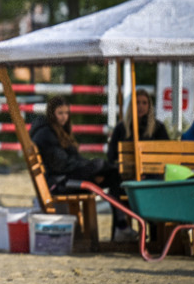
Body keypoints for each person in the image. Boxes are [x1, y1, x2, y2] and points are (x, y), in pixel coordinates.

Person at [31, 95, 137, 242]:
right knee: (99, 164)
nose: (64, 117)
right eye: (60, 113)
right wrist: (90, 172)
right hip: (60, 183)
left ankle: (121, 227)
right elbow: (61, 165)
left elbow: (73, 160)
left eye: (66, 113)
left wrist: (90, 171)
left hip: (69, 178)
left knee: (114, 175)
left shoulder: (59, 131)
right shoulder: (46, 134)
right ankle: (122, 226)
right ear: (51, 114)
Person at [106, 88, 170, 164]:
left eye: (144, 103)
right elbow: (112, 154)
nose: (140, 106)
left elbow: (166, 152)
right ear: (132, 105)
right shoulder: (121, 127)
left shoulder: (158, 127)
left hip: (151, 169)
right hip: (125, 170)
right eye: (137, 102)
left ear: (149, 106)